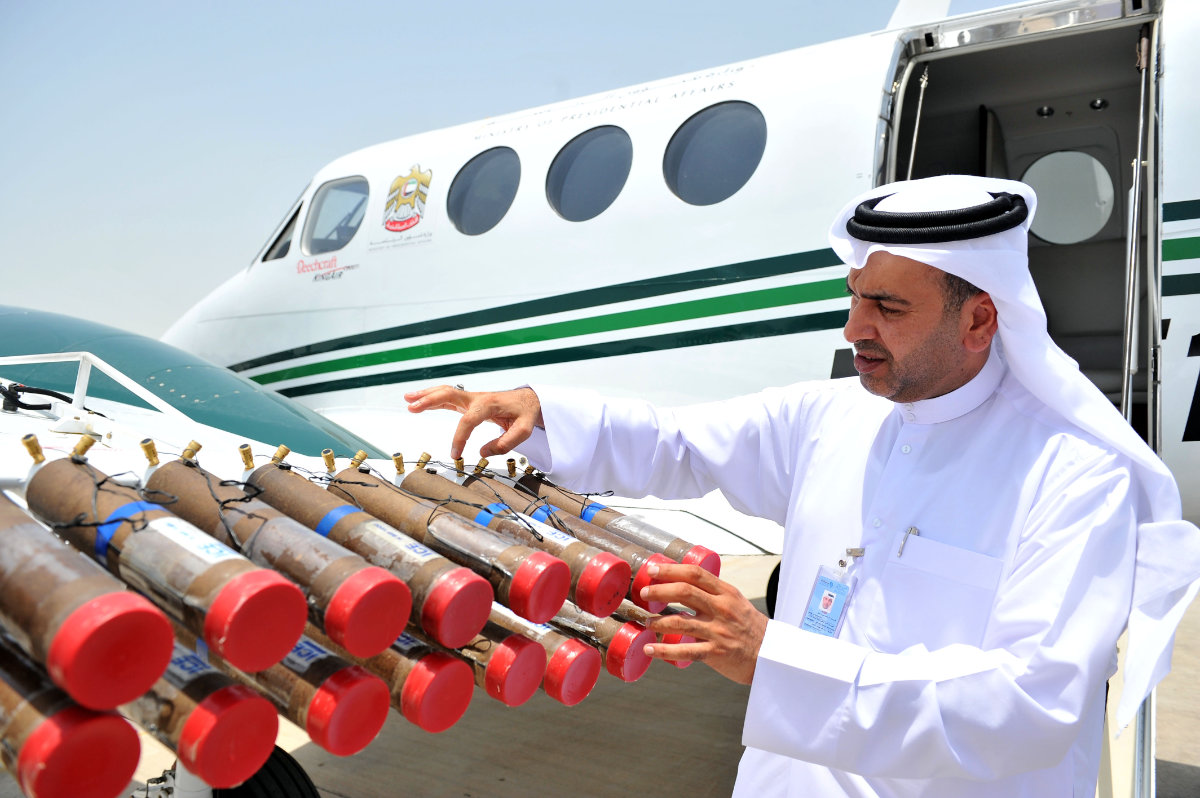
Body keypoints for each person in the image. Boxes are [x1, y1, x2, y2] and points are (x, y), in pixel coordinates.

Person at [405, 175, 1200, 797]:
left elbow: (1031, 705)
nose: (855, 329)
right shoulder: (832, 417)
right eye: (854, 298)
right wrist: (541, 414)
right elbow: (678, 444)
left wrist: (773, 658)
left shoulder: (1074, 474)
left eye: (887, 307)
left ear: (980, 322)